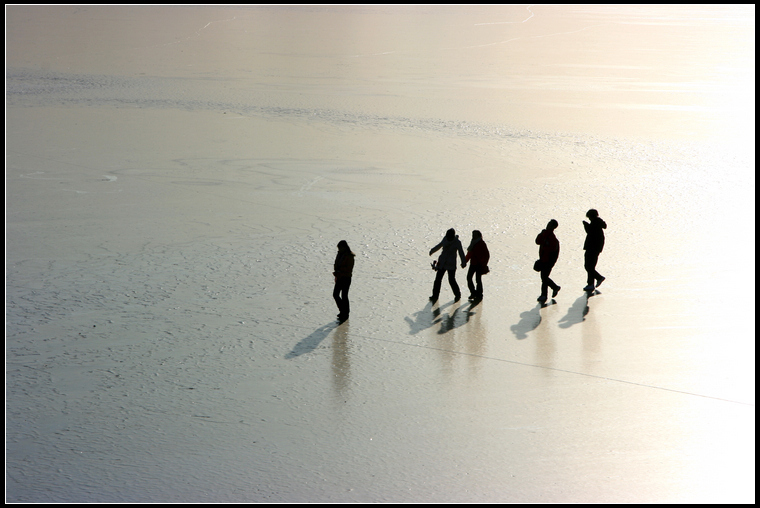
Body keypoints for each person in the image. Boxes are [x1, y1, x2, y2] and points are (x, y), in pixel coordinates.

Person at [429, 228, 466, 303]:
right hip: (442, 262)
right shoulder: (445, 239)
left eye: (449, 237)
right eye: (447, 236)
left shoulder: (457, 242)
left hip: (451, 264)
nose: (448, 238)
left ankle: (457, 294)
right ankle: (435, 296)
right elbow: (439, 245)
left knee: (451, 280)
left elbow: (461, 253)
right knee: (438, 280)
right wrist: (432, 250)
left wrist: (463, 262)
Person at [535, 219, 561, 303]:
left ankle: (544, 295)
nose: (548, 225)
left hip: (548, 261)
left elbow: (550, 249)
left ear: (553, 227)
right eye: (548, 223)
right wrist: (542, 233)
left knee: (544, 277)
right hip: (543, 259)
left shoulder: (552, 238)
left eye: (550, 224)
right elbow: (537, 241)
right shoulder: (545, 234)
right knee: (544, 277)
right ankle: (555, 287)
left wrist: (544, 238)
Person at [583, 209, 607, 291]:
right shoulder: (597, 224)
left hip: (592, 248)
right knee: (590, 266)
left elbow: (590, 232)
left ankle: (595, 280)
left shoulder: (595, 224)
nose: (589, 219)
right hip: (595, 248)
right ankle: (591, 283)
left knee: (589, 266)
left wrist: (586, 226)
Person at [463, 230, 490, 301]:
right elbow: (469, 254)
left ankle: (479, 295)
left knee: (478, 280)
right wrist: (465, 261)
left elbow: (487, 255)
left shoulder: (481, 243)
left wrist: (484, 264)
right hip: (473, 264)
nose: (473, 236)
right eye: (473, 234)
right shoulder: (472, 243)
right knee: (469, 278)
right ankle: (473, 293)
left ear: (478, 235)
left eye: (475, 235)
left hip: (479, 265)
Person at [333, 240, 355, 322]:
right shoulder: (339, 254)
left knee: (344, 295)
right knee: (335, 294)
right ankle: (343, 311)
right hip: (339, 276)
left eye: (340, 248)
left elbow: (349, 268)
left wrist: (340, 271)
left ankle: (345, 313)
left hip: (346, 277)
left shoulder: (349, 256)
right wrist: (336, 273)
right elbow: (336, 264)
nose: (339, 249)